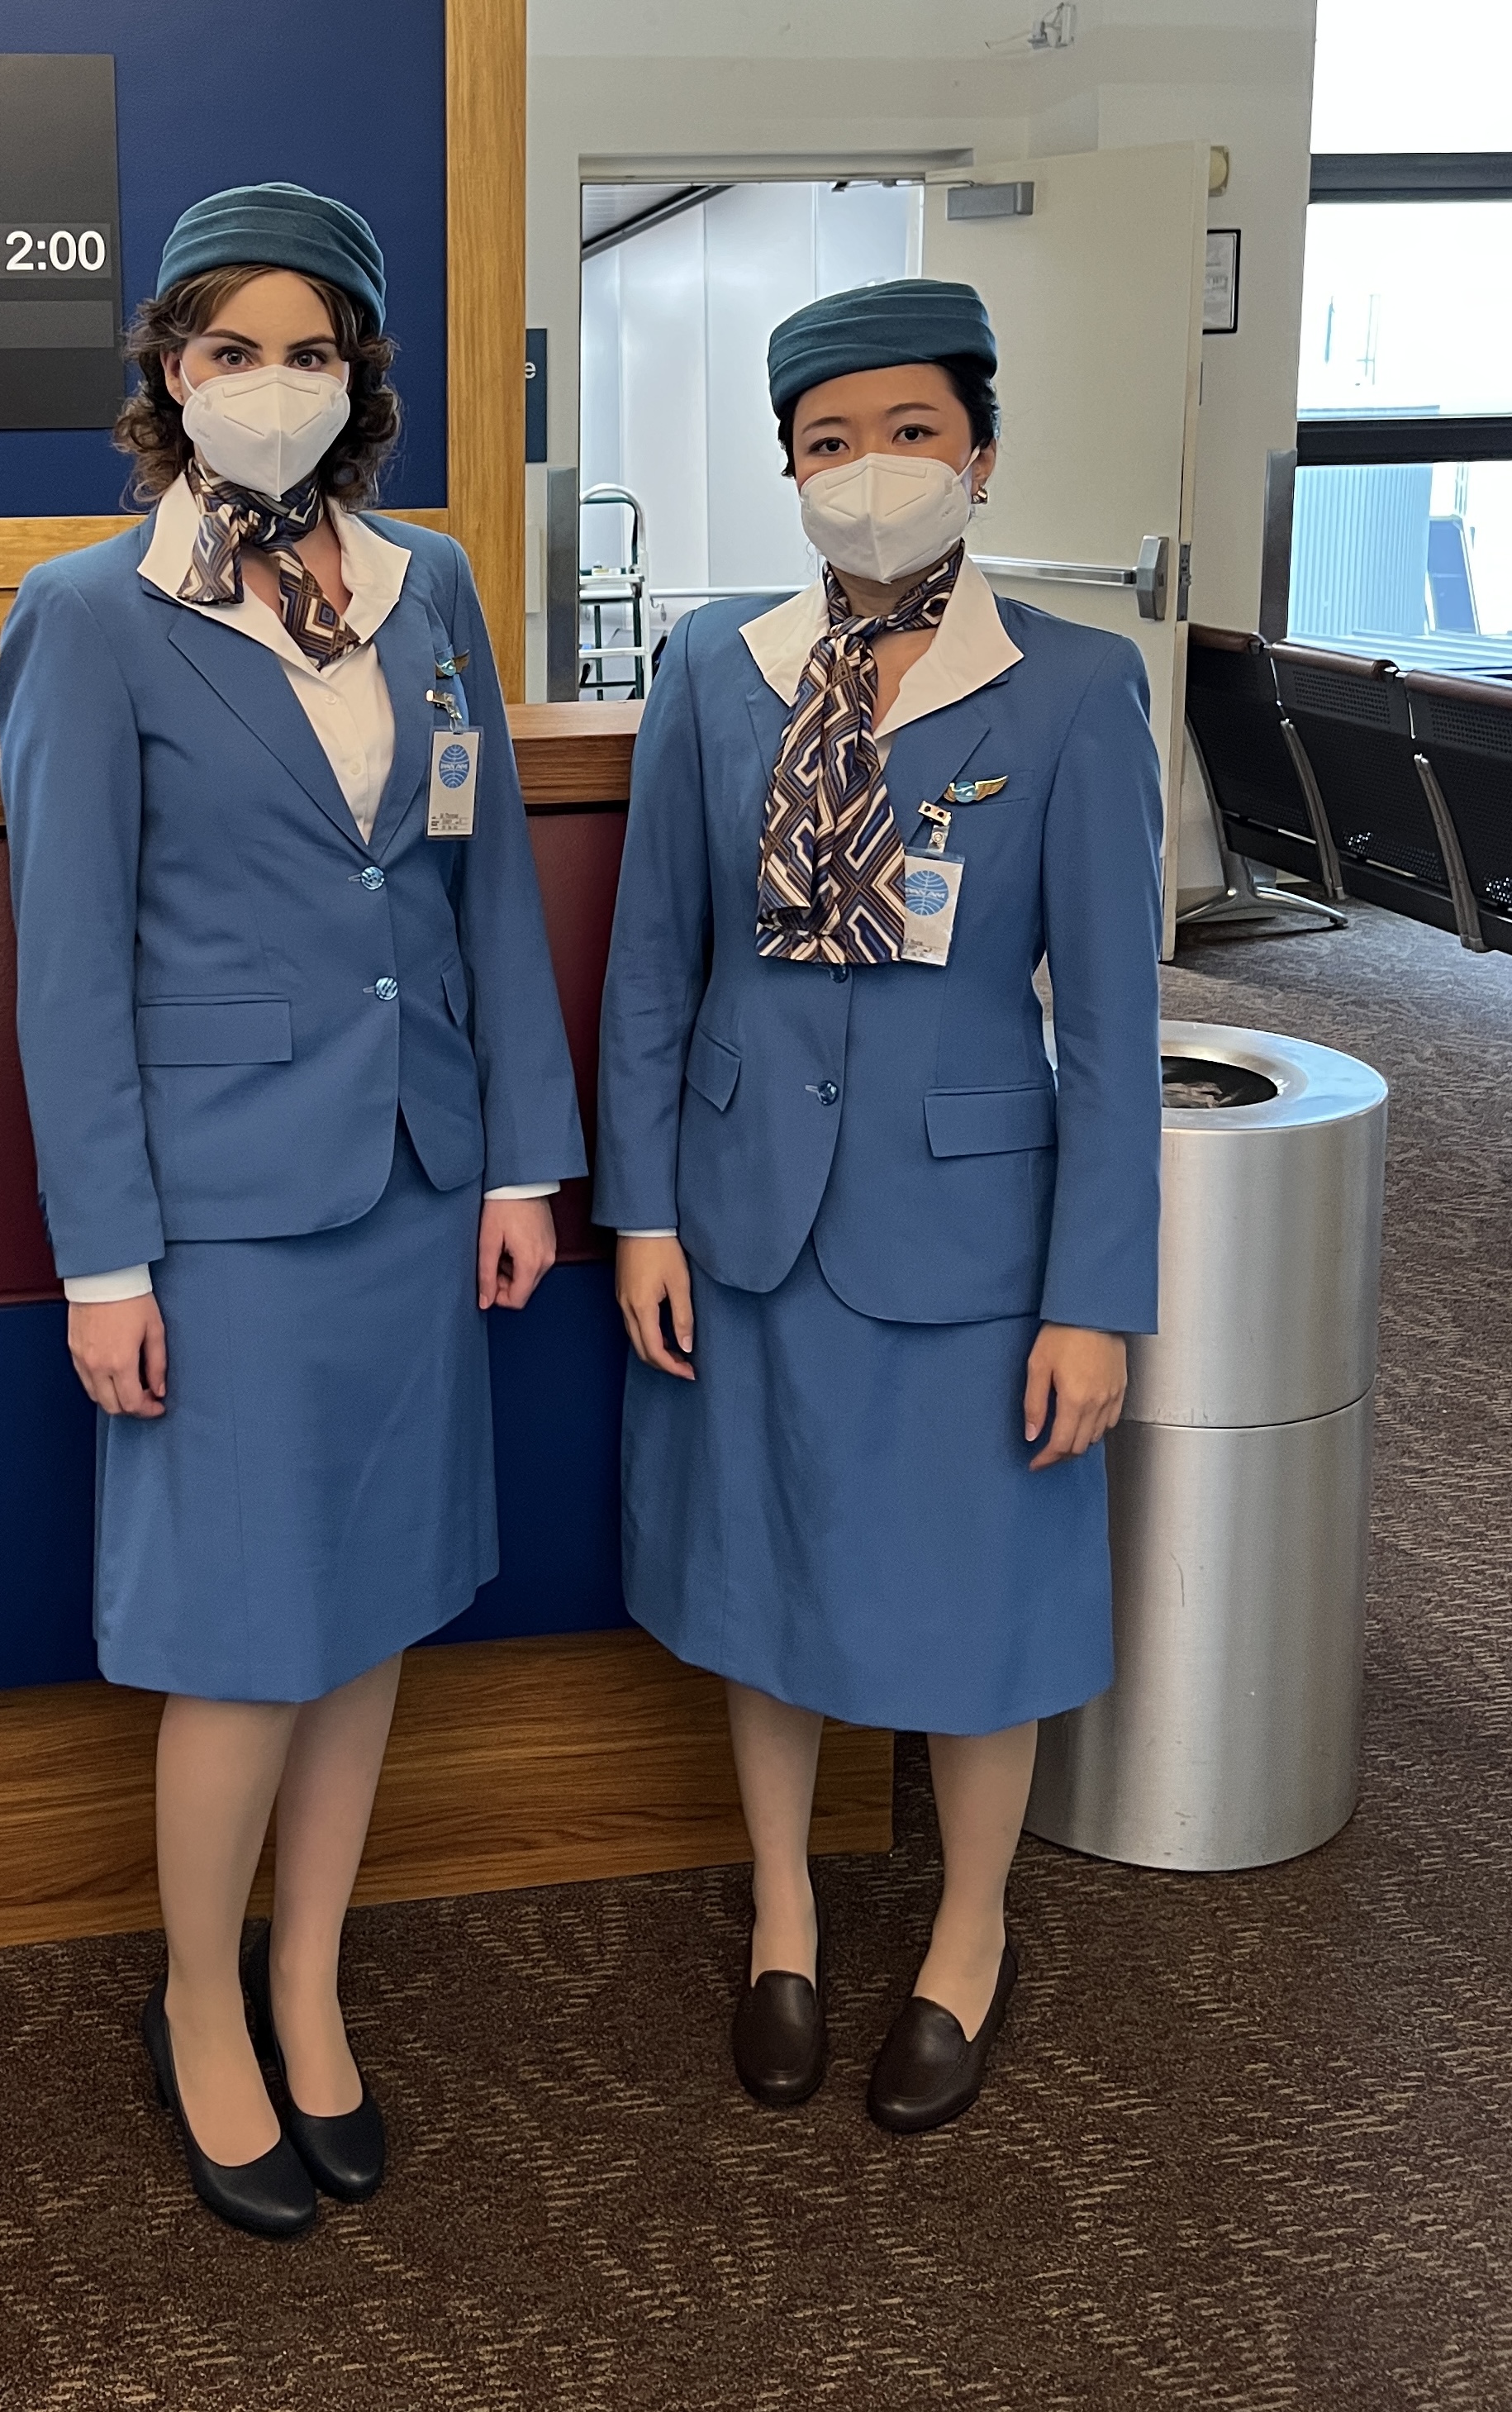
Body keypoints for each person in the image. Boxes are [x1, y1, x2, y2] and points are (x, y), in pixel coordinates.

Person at [0, 182, 585, 2237]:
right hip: (222, 1208)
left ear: (363, 379)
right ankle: (200, 2004)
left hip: (417, 1177)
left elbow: (473, 882)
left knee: (366, 1615)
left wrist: (523, 1157)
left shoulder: (426, 590)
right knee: (240, 1637)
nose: (270, 386)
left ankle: (313, 1981)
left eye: (308, 351)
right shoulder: (90, 613)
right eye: (227, 350)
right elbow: (63, 962)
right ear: (167, 373)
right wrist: (104, 1252)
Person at [595, 279, 1162, 2133]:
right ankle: (783, 1908)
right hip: (747, 1211)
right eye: (827, 443)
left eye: (907, 433)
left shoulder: (1071, 687)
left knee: (970, 1596)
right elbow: (650, 971)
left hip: (973, 1234)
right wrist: (646, 1213)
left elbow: (1116, 1017)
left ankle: (969, 1929)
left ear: (977, 454)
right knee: (766, 1577)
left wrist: (1099, 1294)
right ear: (786, 469)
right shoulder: (713, 667)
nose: (868, 474)